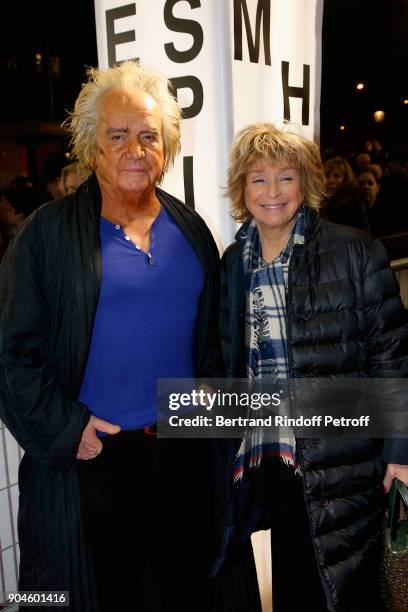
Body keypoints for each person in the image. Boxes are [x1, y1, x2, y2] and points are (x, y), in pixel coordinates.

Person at [0, 61, 220, 611]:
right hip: (95, 462)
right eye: (117, 136)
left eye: (149, 136)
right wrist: (68, 429)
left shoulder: (190, 229)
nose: (134, 149)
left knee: (185, 593)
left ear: (166, 148)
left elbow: (213, 339)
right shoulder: (45, 236)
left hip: (183, 458)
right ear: (90, 147)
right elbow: (11, 355)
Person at [215, 123, 408, 611]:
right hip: (273, 462)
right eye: (258, 179)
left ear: (306, 182)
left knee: (352, 587)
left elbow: (392, 358)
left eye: (286, 177)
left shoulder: (355, 251)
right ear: (241, 189)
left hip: (346, 460)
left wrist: (400, 453)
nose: (273, 192)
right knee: (298, 586)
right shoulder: (234, 264)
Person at [323, 155, 369, 231]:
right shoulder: (321, 204)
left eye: (337, 176)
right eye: (327, 176)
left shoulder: (352, 204)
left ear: (346, 179)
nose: (331, 180)